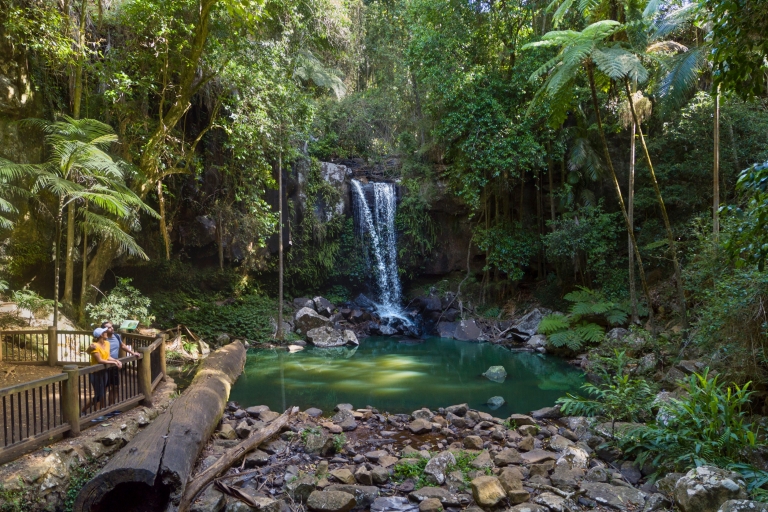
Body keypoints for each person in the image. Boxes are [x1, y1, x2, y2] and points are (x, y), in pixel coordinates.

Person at [100, 321, 141, 407]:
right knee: (103, 389)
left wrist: (132, 353)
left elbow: (122, 346)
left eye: (112, 327)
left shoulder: (117, 336)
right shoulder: (103, 339)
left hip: (114, 365)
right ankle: (102, 409)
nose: (112, 328)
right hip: (104, 366)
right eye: (109, 327)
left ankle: (111, 407)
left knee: (115, 387)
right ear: (104, 330)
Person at [84, 328, 122, 414]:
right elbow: (100, 360)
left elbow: (107, 356)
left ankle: (88, 411)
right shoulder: (94, 346)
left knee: (101, 393)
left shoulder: (107, 343)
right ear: (101, 335)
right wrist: (114, 363)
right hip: (95, 373)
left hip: (104, 371)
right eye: (105, 332)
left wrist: (116, 361)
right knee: (99, 393)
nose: (107, 332)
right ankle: (94, 413)